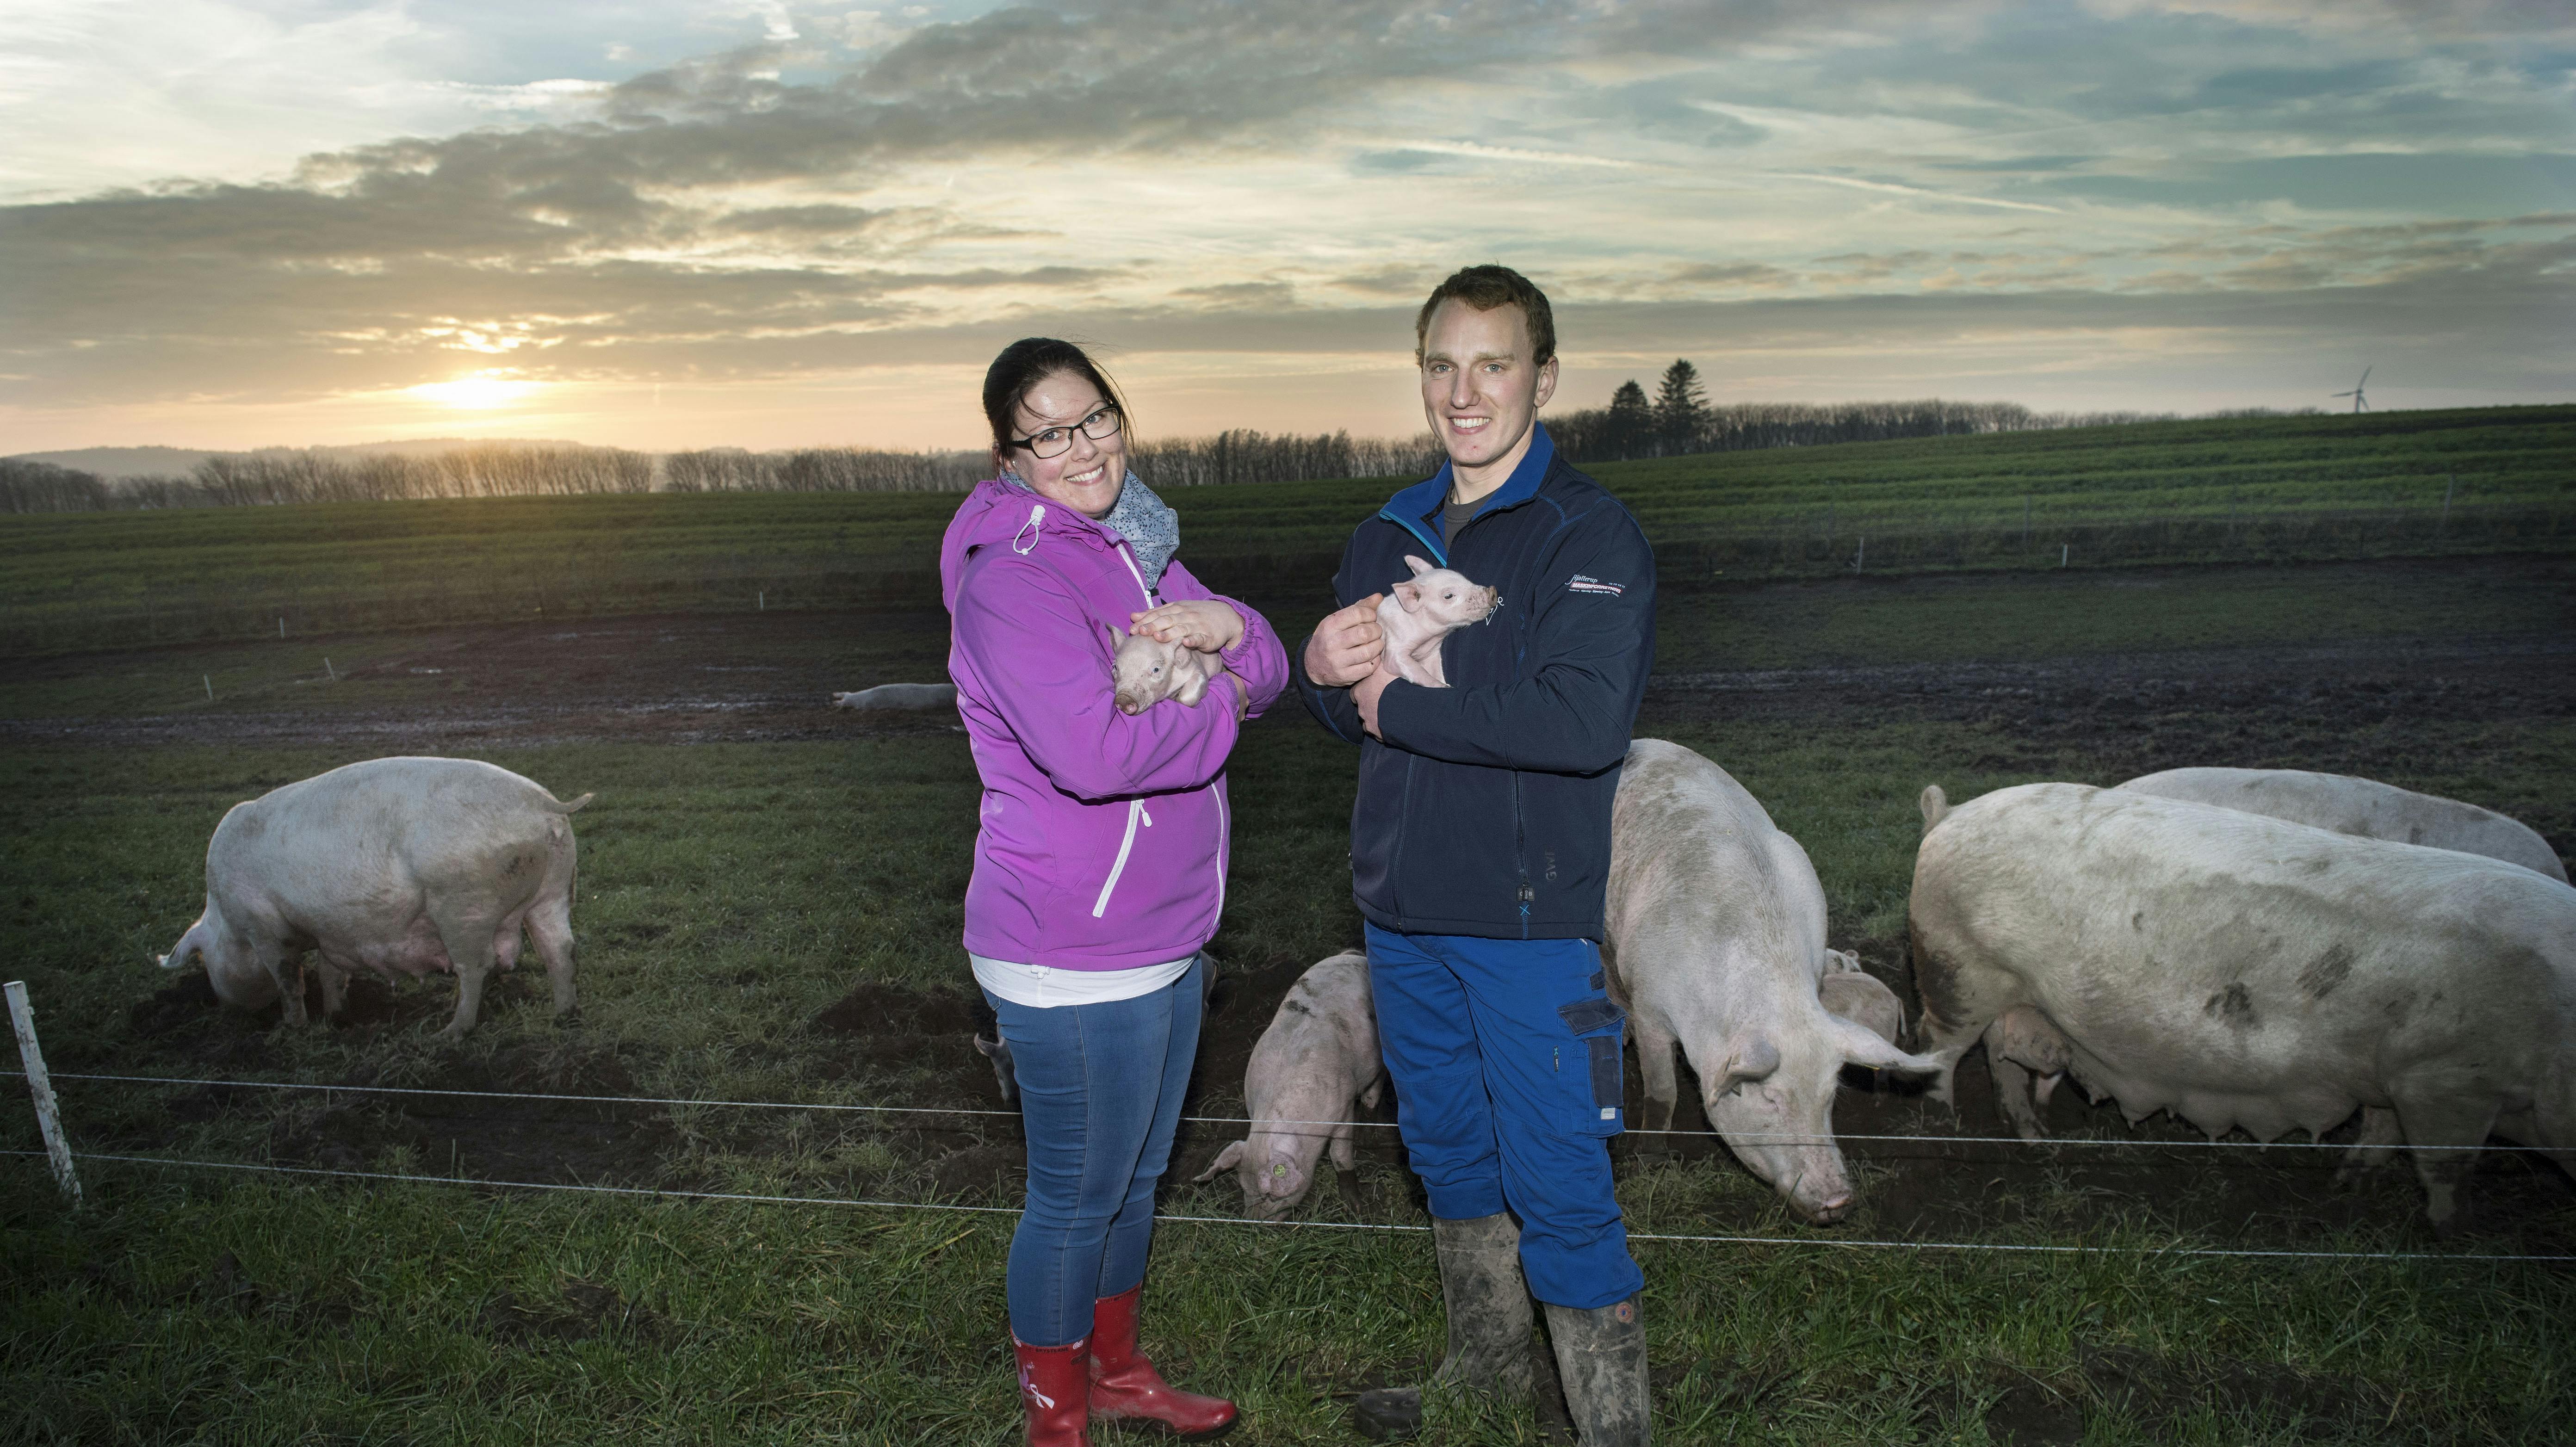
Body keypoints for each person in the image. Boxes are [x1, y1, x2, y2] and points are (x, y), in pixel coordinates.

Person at [1295, 266, 1657, 1446]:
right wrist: (1318, 672)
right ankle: (1488, 1380)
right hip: (1399, 913)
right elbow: (1352, 707)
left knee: (1559, 1178)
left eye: (1493, 363)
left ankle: (1614, 1428)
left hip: (1525, 921)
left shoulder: (1587, 536)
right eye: (1442, 365)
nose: (1466, 391)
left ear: (1542, 378)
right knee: (1447, 1152)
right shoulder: (1386, 532)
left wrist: (1402, 706)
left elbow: (1579, 721)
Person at [941, 336, 1289, 1445]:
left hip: (1166, 932)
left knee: (1136, 1180)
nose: (1082, 447)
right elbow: (1095, 754)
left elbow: (1270, 661)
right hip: (1068, 947)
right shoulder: (1013, 580)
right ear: (1011, 453)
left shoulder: (1136, 545)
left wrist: (1233, 630)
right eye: (1049, 432)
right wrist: (1223, 700)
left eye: (1095, 418)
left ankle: (1121, 1371)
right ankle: (1058, 1414)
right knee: (1074, 1199)